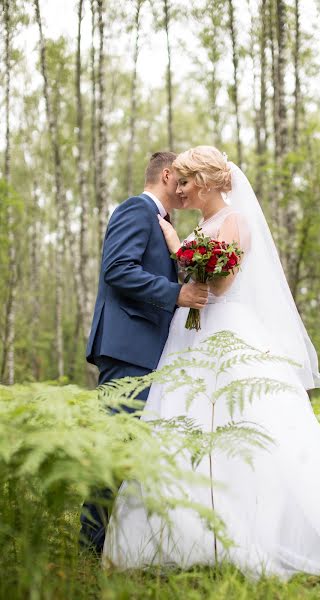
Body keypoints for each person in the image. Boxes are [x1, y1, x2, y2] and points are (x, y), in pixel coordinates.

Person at [103, 146, 320, 579]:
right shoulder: (203, 225)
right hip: (190, 334)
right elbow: (191, 276)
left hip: (228, 332)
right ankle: (184, 535)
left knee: (242, 429)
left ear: (204, 182)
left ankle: (251, 534)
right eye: (177, 181)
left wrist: (179, 250)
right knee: (181, 423)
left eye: (186, 182)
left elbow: (220, 286)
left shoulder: (235, 222)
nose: (181, 189)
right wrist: (181, 248)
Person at [80, 151, 209, 555]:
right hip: (127, 347)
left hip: (147, 351)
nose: (186, 189)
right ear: (167, 175)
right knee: (116, 447)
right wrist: (178, 293)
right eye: (183, 179)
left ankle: (122, 543)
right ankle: (89, 545)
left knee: (133, 449)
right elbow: (117, 268)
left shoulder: (164, 223)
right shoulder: (136, 209)